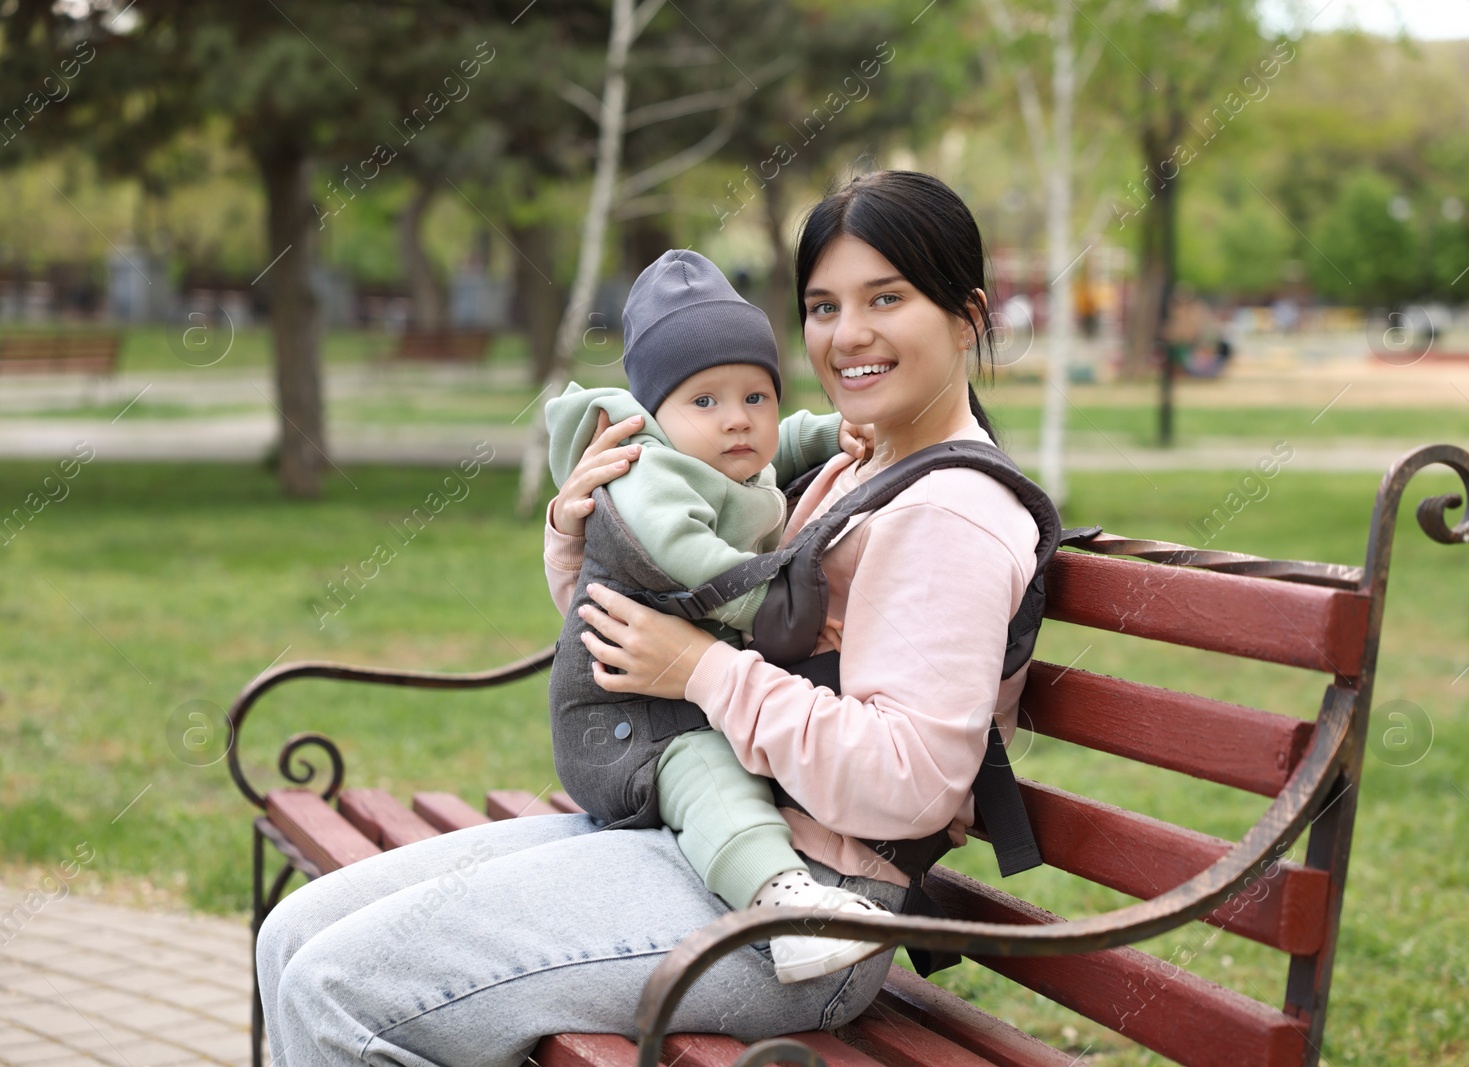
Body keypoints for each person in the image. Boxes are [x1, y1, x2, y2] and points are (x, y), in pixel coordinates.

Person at [255, 170, 1043, 1066]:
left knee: (336, 986)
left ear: (969, 315)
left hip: (807, 911)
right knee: (293, 935)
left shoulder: (951, 513)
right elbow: (671, 639)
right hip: (701, 832)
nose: (848, 334)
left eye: (886, 298)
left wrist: (701, 671)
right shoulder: (857, 467)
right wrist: (589, 539)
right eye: (823, 306)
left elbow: (910, 781)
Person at [543, 248, 890, 984]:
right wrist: (773, 604)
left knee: (716, 758)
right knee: (707, 770)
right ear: (655, 416)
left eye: (754, 397)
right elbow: (682, 558)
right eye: (705, 401)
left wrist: (827, 433)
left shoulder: (726, 455)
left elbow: (782, 442)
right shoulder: (649, 477)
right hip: (625, 718)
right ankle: (783, 909)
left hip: (675, 682)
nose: (737, 421)